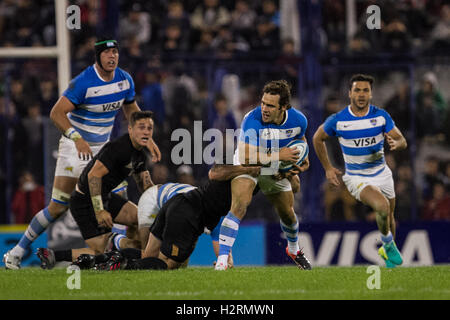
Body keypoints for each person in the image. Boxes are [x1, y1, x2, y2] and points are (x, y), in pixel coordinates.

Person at [3, 37, 161, 269]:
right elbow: (57, 113)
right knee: (58, 206)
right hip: (75, 149)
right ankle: (16, 252)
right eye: (107, 54)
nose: (112, 57)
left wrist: (147, 138)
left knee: (123, 207)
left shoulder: (125, 80)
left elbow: (130, 109)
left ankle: (121, 259)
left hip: (105, 151)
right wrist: (76, 138)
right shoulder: (84, 82)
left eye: (115, 53)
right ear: (97, 57)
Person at [71, 163, 264, 271]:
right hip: (187, 212)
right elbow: (214, 172)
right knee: (169, 264)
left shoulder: (240, 177)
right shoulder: (238, 174)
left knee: (148, 256)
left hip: (176, 203)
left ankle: (97, 260)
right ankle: (119, 263)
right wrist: (247, 169)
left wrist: (225, 259)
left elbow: (221, 244)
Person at [36, 111, 156, 269]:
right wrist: (99, 211)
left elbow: (145, 186)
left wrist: (160, 200)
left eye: (149, 128)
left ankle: (127, 259)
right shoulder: (119, 148)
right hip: (85, 201)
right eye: (142, 127)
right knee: (100, 251)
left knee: (140, 217)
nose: (146, 131)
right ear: (130, 129)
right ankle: (52, 255)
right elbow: (93, 176)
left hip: (105, 196)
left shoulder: (139, 154)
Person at [215, 80, 311, 271]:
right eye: (263, 103)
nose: (264, 109)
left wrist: (292, 168)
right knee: (239, 204)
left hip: (274, 166)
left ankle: (293, 250)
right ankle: (222, 260)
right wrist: (279, 155)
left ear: (284, 107)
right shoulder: (253, 118)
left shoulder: (299, 121)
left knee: (288, 213)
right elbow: (245, 156)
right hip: (249, 164)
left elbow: (301, 148)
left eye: (270, 105)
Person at [312, 74, 407, 268]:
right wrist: (328, 168)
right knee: (381, 206)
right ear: (350, 93)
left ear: (371, 94)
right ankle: (388, 245)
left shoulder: (381, 116)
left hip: (383, 173)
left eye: (365, 90)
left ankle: (387, 252)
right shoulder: (338, 120)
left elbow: (402, 140)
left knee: (389, 218)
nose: (361, 94)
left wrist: (397, 144)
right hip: (357, 177)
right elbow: (317, 138)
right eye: (357, 90)